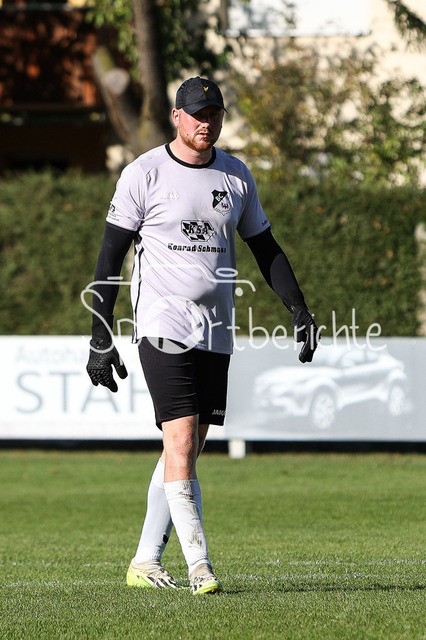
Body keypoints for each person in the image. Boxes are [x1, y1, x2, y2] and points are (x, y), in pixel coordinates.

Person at [86, 76, 319, 595]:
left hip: (215, 331)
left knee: (184, 452)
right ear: (176, 116)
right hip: (162, 325)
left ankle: (145, 562)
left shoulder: (236, 175)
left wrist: (298, 308)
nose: (205, 123)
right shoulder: (144, 173)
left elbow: (265, 247)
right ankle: (200, 567)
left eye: (214, 114)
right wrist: (100, 334)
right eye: (196, 114)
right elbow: (109, 259)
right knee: (182, 438)